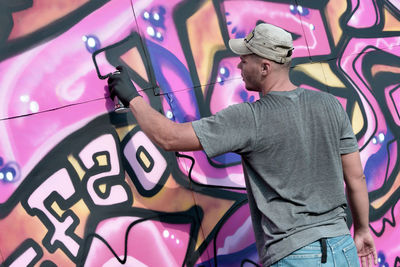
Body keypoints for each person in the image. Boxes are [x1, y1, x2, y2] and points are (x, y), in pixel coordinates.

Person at [107, 23, 378, 267]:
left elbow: (170, 138)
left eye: (244, 60)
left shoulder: (250, 118)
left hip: (296, 255)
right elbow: (355, 177)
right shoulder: (329, 105)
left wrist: (132, 97)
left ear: (265, 67)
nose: (239, 67)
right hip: (342, 247)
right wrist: (363, 230)